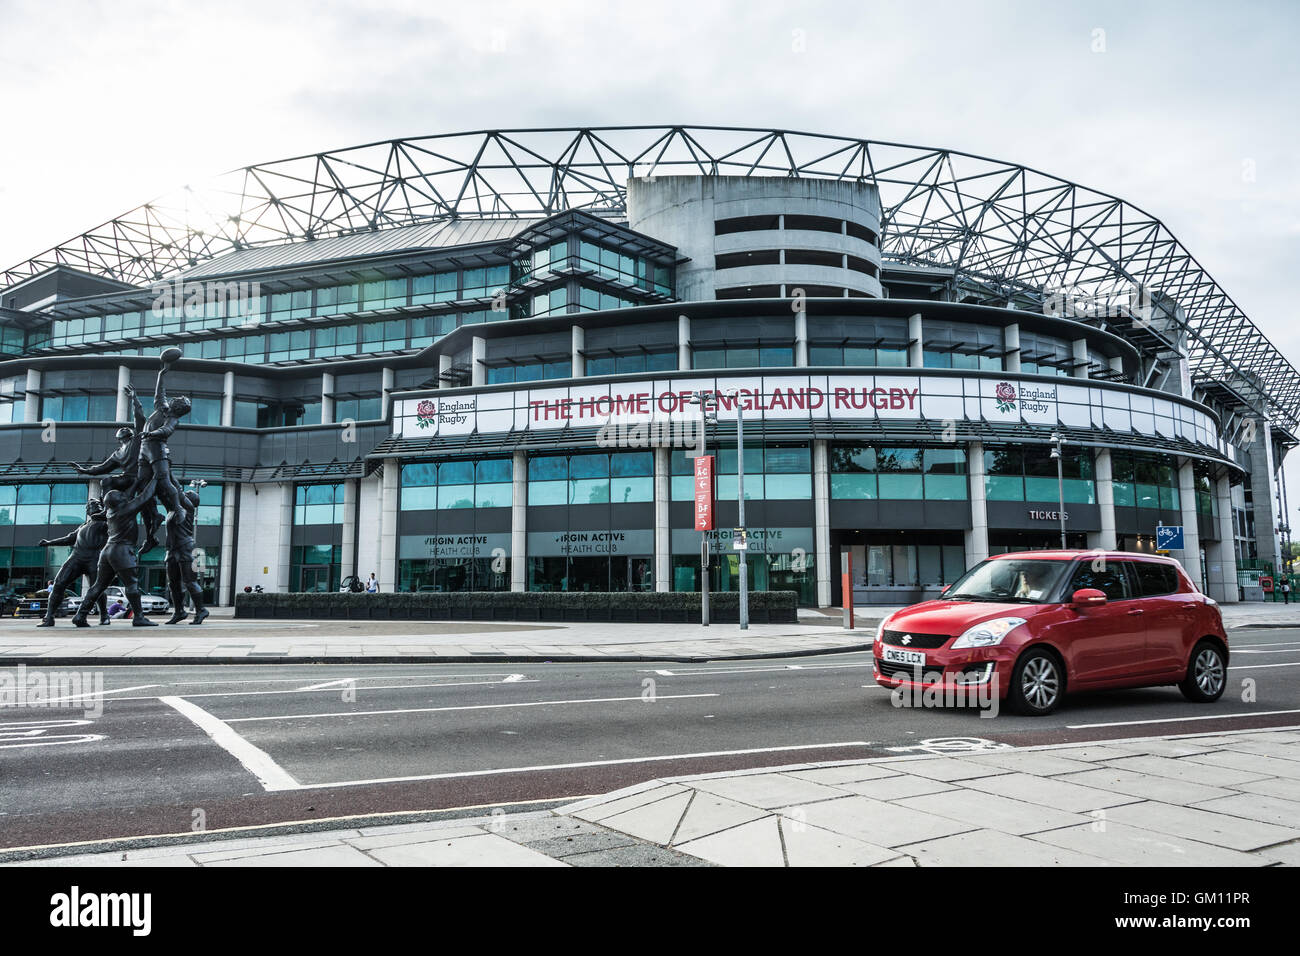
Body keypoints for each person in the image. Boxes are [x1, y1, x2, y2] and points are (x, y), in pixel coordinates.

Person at [71, 477, 159, 628]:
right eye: (121, 495)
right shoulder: (126, 509)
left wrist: (137, 481)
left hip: (107, 551)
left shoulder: (110, 512)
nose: (125, 495)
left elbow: (133, 495)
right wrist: (157, 476)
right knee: (132, 584)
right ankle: (138, 617)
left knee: (98, 585)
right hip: (122, 550)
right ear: (119, 500)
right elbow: (145, 495)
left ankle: (80, 614)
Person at [36, 498, 111, 627]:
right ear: (87, 511)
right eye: (91, 506)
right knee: (59, 584)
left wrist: (105, 502)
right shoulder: (83, 525)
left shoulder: (106, 522)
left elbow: (110, 511)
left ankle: (104, 615)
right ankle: (49, 617)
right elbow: (69, 539)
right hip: (76, 558)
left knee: (97, 589)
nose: (93, 507)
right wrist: (49, 543)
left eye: (96, 505)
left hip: (94, 559)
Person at [163, 490, 209, 626]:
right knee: (173, 583)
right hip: (172, 550)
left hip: (186, 548)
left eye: (188, 493)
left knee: (190, 582)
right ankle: (179, 612)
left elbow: (175, 490)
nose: (184, 492)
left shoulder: (188, 508)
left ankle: (201, 610)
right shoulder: (173, 509)